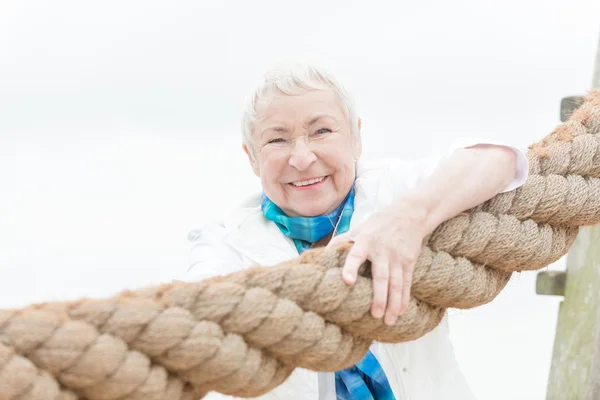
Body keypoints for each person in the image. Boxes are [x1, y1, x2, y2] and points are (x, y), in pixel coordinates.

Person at [184, 61, 529, 400]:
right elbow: (192, 318)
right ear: (252, 158)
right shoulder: (224, 242)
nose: (302, 158)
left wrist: (408, 220)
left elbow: (500, 159)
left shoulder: (393, 191)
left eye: (322, 131)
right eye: (277, 140)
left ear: (355, 139)